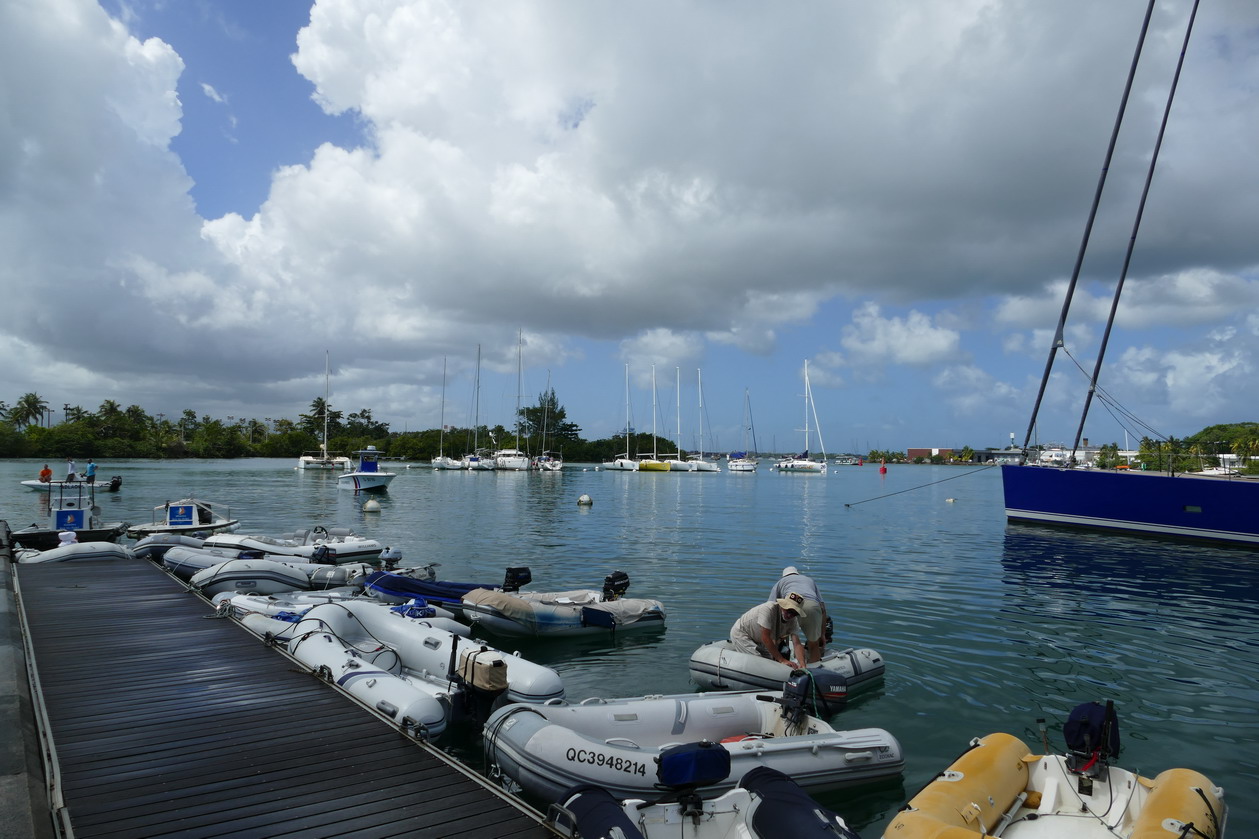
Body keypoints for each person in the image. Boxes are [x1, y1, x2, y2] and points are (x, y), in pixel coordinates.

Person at [770, 566, 830, 663]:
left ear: (783, 576)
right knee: (813, 644)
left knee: (781, 638)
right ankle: (814, 668)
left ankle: (776, 663)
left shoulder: (780, 582)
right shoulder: (809, 580)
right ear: (797, 573)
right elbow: (822, 607)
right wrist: (822, 634)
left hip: (791, 606)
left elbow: (771, 605)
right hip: (812, 606)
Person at [730, 595, 807, 669]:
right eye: (789, 610)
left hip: (759, 640)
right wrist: (782, 660)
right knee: (758, 662)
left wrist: (802, 663)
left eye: (795, 613)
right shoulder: (768, 609)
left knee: (770, 662)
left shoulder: (793, 620)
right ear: (783, 605)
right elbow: (765, 637)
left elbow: (797, 643)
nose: (790, 615)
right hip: (742, 633)